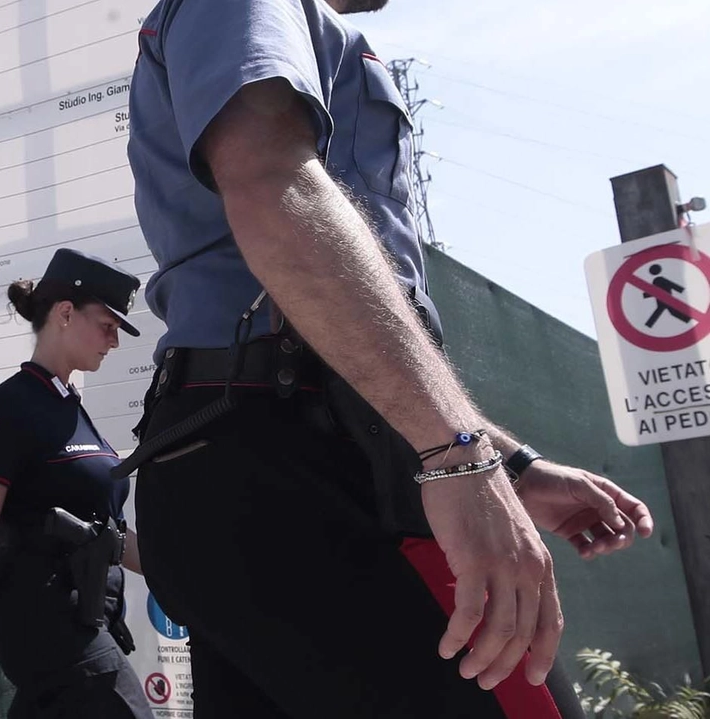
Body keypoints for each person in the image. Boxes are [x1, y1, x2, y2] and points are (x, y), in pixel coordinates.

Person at [122, 1, 656, 717]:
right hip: (301, 466)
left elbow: (348, 321)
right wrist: (457, 454)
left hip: (254, 458)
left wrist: (510, 463)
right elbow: (271, 181)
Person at [0, 248, 153, 719]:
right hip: (46, 624)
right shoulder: (7, 408)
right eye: (107, 326)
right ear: (66, 313)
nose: (113, 342)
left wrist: (184, 576)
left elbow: (107, 534)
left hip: (92, 624)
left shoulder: (70, 407)